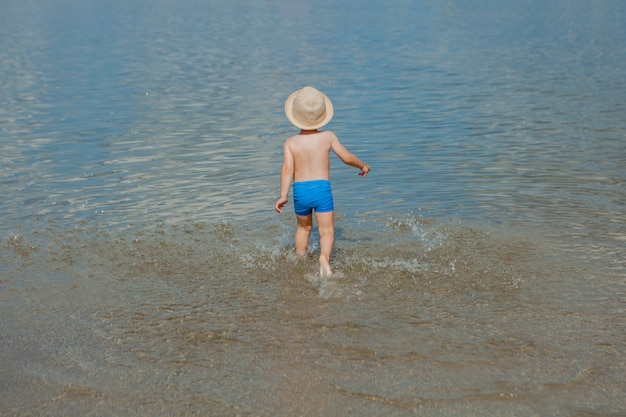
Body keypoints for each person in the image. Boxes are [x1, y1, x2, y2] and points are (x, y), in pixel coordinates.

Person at [275, 86, 370, 277]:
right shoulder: (328, 137)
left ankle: (300, 259)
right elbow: (347, 157)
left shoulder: (291, 142)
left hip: (300, 190)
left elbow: (287, 169)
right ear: (322, 114)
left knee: (303, 227)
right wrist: (362, 166)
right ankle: (324, 258)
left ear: (295, 115)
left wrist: (283, 195)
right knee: (326, 229)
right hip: (322, 190)